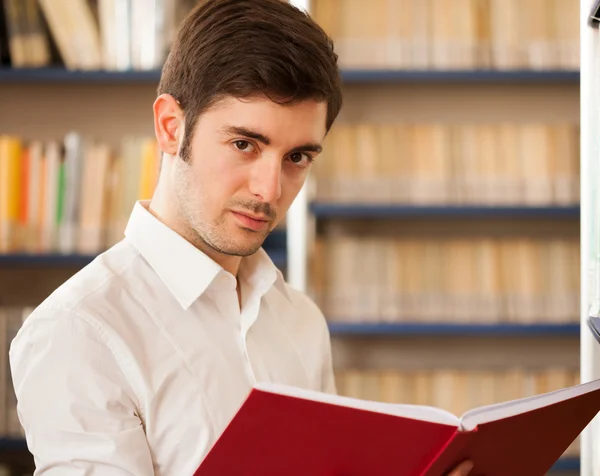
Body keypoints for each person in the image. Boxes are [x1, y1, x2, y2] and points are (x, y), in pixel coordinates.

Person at [9, 0, 474, 475]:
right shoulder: (77, 333)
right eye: (244, 144)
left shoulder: (300, 321)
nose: (269, 190)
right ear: (171, 127)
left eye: (297, 157)